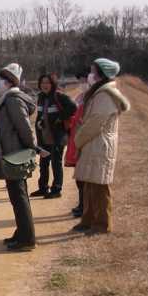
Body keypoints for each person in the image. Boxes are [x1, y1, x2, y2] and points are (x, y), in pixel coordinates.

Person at [72, 59, 130, 234]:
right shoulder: (99, 92)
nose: (89, 75)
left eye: (92, 71)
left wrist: (78, 138)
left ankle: (102, 224)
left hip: (99, 144)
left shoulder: (105, 95)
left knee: (100, 186)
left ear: (101, 74)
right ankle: (88, 219)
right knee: (90, 184)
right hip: (94, 143)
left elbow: (96, 122)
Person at [0, 63, 38, 251]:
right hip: (13, 153)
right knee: (17, 195)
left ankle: (27, 238)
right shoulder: (8, 98)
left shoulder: (13, 100)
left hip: (16, 154)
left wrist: (31, 148)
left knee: (19, 196)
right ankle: (22, 232)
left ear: (9, 82)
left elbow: (24, 128)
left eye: (1, 79)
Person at [30, 74, 77, 199]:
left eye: (47, 83)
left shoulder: (59, 96)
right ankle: (43, 188)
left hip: (57, 136)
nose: (45, 85)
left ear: (53, 84)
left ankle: (56, 189)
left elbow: (74, 107)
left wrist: (60, 118)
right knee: (43, 162)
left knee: (56, 163)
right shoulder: (40, 97)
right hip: (44, 136)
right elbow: (40, 114)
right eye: (42, 83)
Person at [65, 74, 89, 217]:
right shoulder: (81, 97)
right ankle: (82, 204)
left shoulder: (92, 100)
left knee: (84, 177)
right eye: (81, 80)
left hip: (83, 142)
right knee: (79, 178)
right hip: (75, 139)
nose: (82, 82)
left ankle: (85, 206)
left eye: (85, 79)